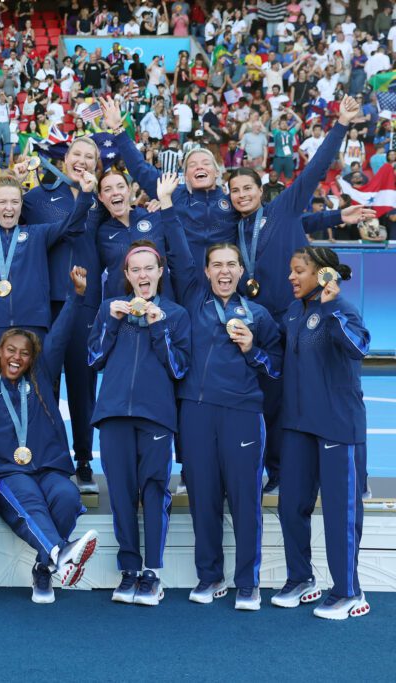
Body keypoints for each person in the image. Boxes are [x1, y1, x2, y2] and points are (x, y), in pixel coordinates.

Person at [158, 173, 283, 610]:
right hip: (195, 412)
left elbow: (276, 367)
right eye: (218, 265)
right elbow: (177, 247)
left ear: (241, 270)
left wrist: (252, 350)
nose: (225, 271)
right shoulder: (193, 297)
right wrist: (167, 203)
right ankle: (210, 577)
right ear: (207, 271)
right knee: (204, 499)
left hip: (242, 414)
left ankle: (248, 582)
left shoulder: (259, 315)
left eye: (232, 265)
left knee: (246, 501)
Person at [227, 95, 359, 494]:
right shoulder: (231, 228)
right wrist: (331, 217)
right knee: (268, 399)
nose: (241, 195)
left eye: (247, 188)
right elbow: (306, 223)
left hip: (297, 317)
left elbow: (314, 170)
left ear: (260, 190)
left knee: (308, 394)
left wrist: (341, 125)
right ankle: (277, 471)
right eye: (234, 191)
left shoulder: (282, 208)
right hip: (259, 324)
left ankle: (321, 470)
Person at [0, 267, 100, 604]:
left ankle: (45, 566)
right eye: (11, 350)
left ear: (32, 359)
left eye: (24, 353)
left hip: (50, 469)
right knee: (29, 500)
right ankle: (59, 553)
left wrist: (75, 295)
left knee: (67, 497)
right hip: (11, 473)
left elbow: (60, 335)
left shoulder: (41, 379)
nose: (17, 357)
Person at [87, 240, 191, 606]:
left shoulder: (175, 314)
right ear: (127, 276)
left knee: (154, 490)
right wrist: (110, 322)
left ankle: (152, 572)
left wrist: (158, 326)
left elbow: (179, 368)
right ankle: (129, 569)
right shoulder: (110, 309)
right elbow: (94, 359)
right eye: (136, 270)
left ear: (160, 272)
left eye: (149, 268)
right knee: (120, 494)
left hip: (155, 416)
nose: (143, 275)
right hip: (113, 414)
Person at [273, 246, 371, 620]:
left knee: (339, 512)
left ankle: (348, 591)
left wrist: (331, 307)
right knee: (290, 506)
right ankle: (301, 579)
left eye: (299, 270)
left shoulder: (341, 309)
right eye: (291, 270)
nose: (291, 277)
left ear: (322, 274)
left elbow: (359, 347)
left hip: (337, 426)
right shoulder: (293, 312)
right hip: (298, 425)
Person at [0, 169, 95, 397]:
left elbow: (72, 225)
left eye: (14, 202)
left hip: (32, 325)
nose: (9, 208)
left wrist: (86, 194)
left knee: (39, 395)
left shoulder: (38, 234)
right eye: (2, 202)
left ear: (22, 204)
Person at [20, 137, 104, 493]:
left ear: (96, 165)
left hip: (86, 304)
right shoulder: (38, 197)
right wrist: (13, 180)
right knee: (46, 383)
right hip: (49, 302)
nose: (82, 161)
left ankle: (83, 460)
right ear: (64, 159)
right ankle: (49, 458)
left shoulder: (101, 201)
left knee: (83, 386)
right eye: (77, 155)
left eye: (90, 156)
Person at [100, 95, 237, 266]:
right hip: (186, 281)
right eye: (192, 165)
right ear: (185, 176)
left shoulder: (233, 202)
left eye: (205, 163)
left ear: (217, 172)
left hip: (225, 279)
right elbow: (140, 169)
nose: (199, 167)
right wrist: (118, 129)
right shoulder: (174, 194)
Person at [92, 169, 175, 301]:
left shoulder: (154, 217)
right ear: (101, 197)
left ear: (129, 190)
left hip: (161, 307)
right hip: (122, 309)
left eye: (120, 186)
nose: (115, 192)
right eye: (107, 189)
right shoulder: (101, 233)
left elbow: (178, 256)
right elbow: (95, 274)